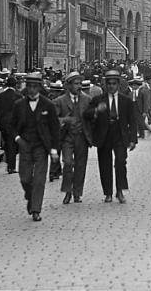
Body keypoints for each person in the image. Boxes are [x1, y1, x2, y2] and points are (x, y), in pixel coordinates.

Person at [11, 73, 61, 221]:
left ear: (39, 87)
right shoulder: (19, 105)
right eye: (29, 87)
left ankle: (36, 209)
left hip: (41, 146)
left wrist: (54, 149)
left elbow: (55, 129)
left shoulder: (48, 105)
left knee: (39, 179)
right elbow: (11, 125)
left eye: (34, 87)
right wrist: (17, 138)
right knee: (25, 178)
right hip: (25, 144)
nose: (31, 90)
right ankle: (30, 196)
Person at [84, 69, 137, 203]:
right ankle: (107, 192)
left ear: (118, 84)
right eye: (109, 84)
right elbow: (86, 114)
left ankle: (119, 191)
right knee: (105, 164)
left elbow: (133, 120)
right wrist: (96, 110)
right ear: (105, 85)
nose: (111, 86)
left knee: (120, 161)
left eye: (114, 83)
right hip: (104, 135)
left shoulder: (126, 101)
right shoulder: (98, 100)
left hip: (120, 134)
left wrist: (133, 140)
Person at [54, 71, 93, 204]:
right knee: (68, 163)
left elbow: (92, 118)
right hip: (67, 137)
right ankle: (67, 191)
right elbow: (54, 120)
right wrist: (65, 120)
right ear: (68, 85)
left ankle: (77, 193)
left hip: (82, 137)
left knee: (81, 165)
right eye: (76, 84)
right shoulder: (60, 101)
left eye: (80, 83)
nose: (79, 86)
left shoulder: (87, 100)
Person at [0, 75, 22, 174]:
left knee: (8, 143)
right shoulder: (18, 96)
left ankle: (9, 162)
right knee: (13, 144)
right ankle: (11, 166)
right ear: (15, 85)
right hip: (14, 124)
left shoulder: (0, 96)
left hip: (3, 123)